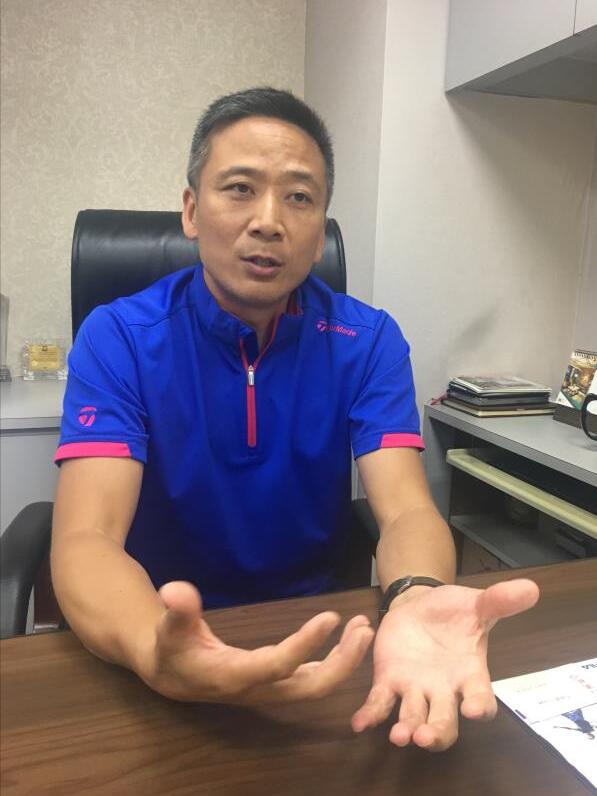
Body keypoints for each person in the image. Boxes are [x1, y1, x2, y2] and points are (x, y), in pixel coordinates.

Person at [51, 87, 539, 751]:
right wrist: (151, 646)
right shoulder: (120, 337)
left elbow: (404, 509)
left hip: (315, 635)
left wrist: (416, 594)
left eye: (299, 197)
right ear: (191, 210)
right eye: (240, 189)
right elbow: (86, 538)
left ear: (321, 228)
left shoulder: (367, 340)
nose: (269, 221)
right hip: (159, 631)